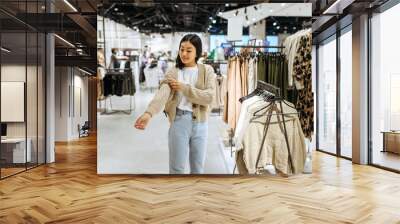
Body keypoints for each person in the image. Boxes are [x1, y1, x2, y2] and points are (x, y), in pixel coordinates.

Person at [134, 34, 216, 174]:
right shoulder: (174, 71)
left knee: (198, 169)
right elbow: (162, 94)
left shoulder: (207, 70)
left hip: (201, 124)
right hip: (179, 122)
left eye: (189, 50)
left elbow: (209, 97)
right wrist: (149, 113)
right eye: (182, 49)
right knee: (176, 169)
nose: (184, 53)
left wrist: (183, 87)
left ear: (197, 52)